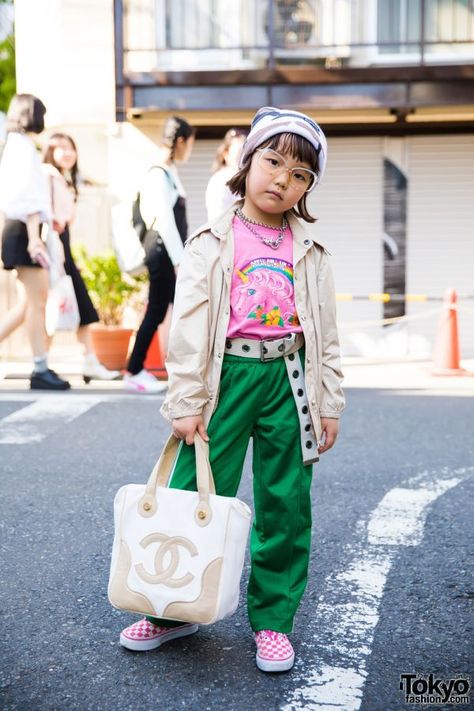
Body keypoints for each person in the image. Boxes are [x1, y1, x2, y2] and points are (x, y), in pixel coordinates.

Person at [118, 107, 345, 673]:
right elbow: (191, 326)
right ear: (248, 163)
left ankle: (273, 622)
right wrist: (186, 400)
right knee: (193, 487)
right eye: (273, 162)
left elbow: (327, 334)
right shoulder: (212, 238)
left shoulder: (312, 252)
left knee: (285, 502)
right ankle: (170, 608)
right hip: (227, 377)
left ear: (308, 188)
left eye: (300, 175)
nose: (282, 180)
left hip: (288, 378)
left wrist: (328, 401)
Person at [0, 94, 70, 390]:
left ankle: (41, 366)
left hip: (19, 229)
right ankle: (40, 368)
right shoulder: (23, 148)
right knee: (36, 301)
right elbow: (27, 197)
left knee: (31, 302)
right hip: (24, 231)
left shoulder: (13, 145)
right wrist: (34, 239)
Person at [123, 116, 195, 393]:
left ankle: (178, 369)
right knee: (157, 310)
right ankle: (134, 369)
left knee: (178, 310)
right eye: (189, 143)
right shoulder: (158, 173)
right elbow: (163, 220)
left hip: (167, 251)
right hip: (162, 250)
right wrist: (179, 260)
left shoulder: (167, 172)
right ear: (180, 142)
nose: (189, 148)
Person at [42, 133, 120, 382]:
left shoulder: (65, 179)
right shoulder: (48, 175)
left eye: (71, 148)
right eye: (61, 148)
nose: (67, 153)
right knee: (39, 309)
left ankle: (88, 361)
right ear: (50, 151)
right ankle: (43, 363)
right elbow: (48, 215)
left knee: (75, 306)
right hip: (53, 248)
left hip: (61, 248)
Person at [205, 128, 247, 221]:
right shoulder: (220, 179)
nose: (243, 158)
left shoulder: (244, 179)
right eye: (239, 152)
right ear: (225, 153)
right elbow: (216, 217)